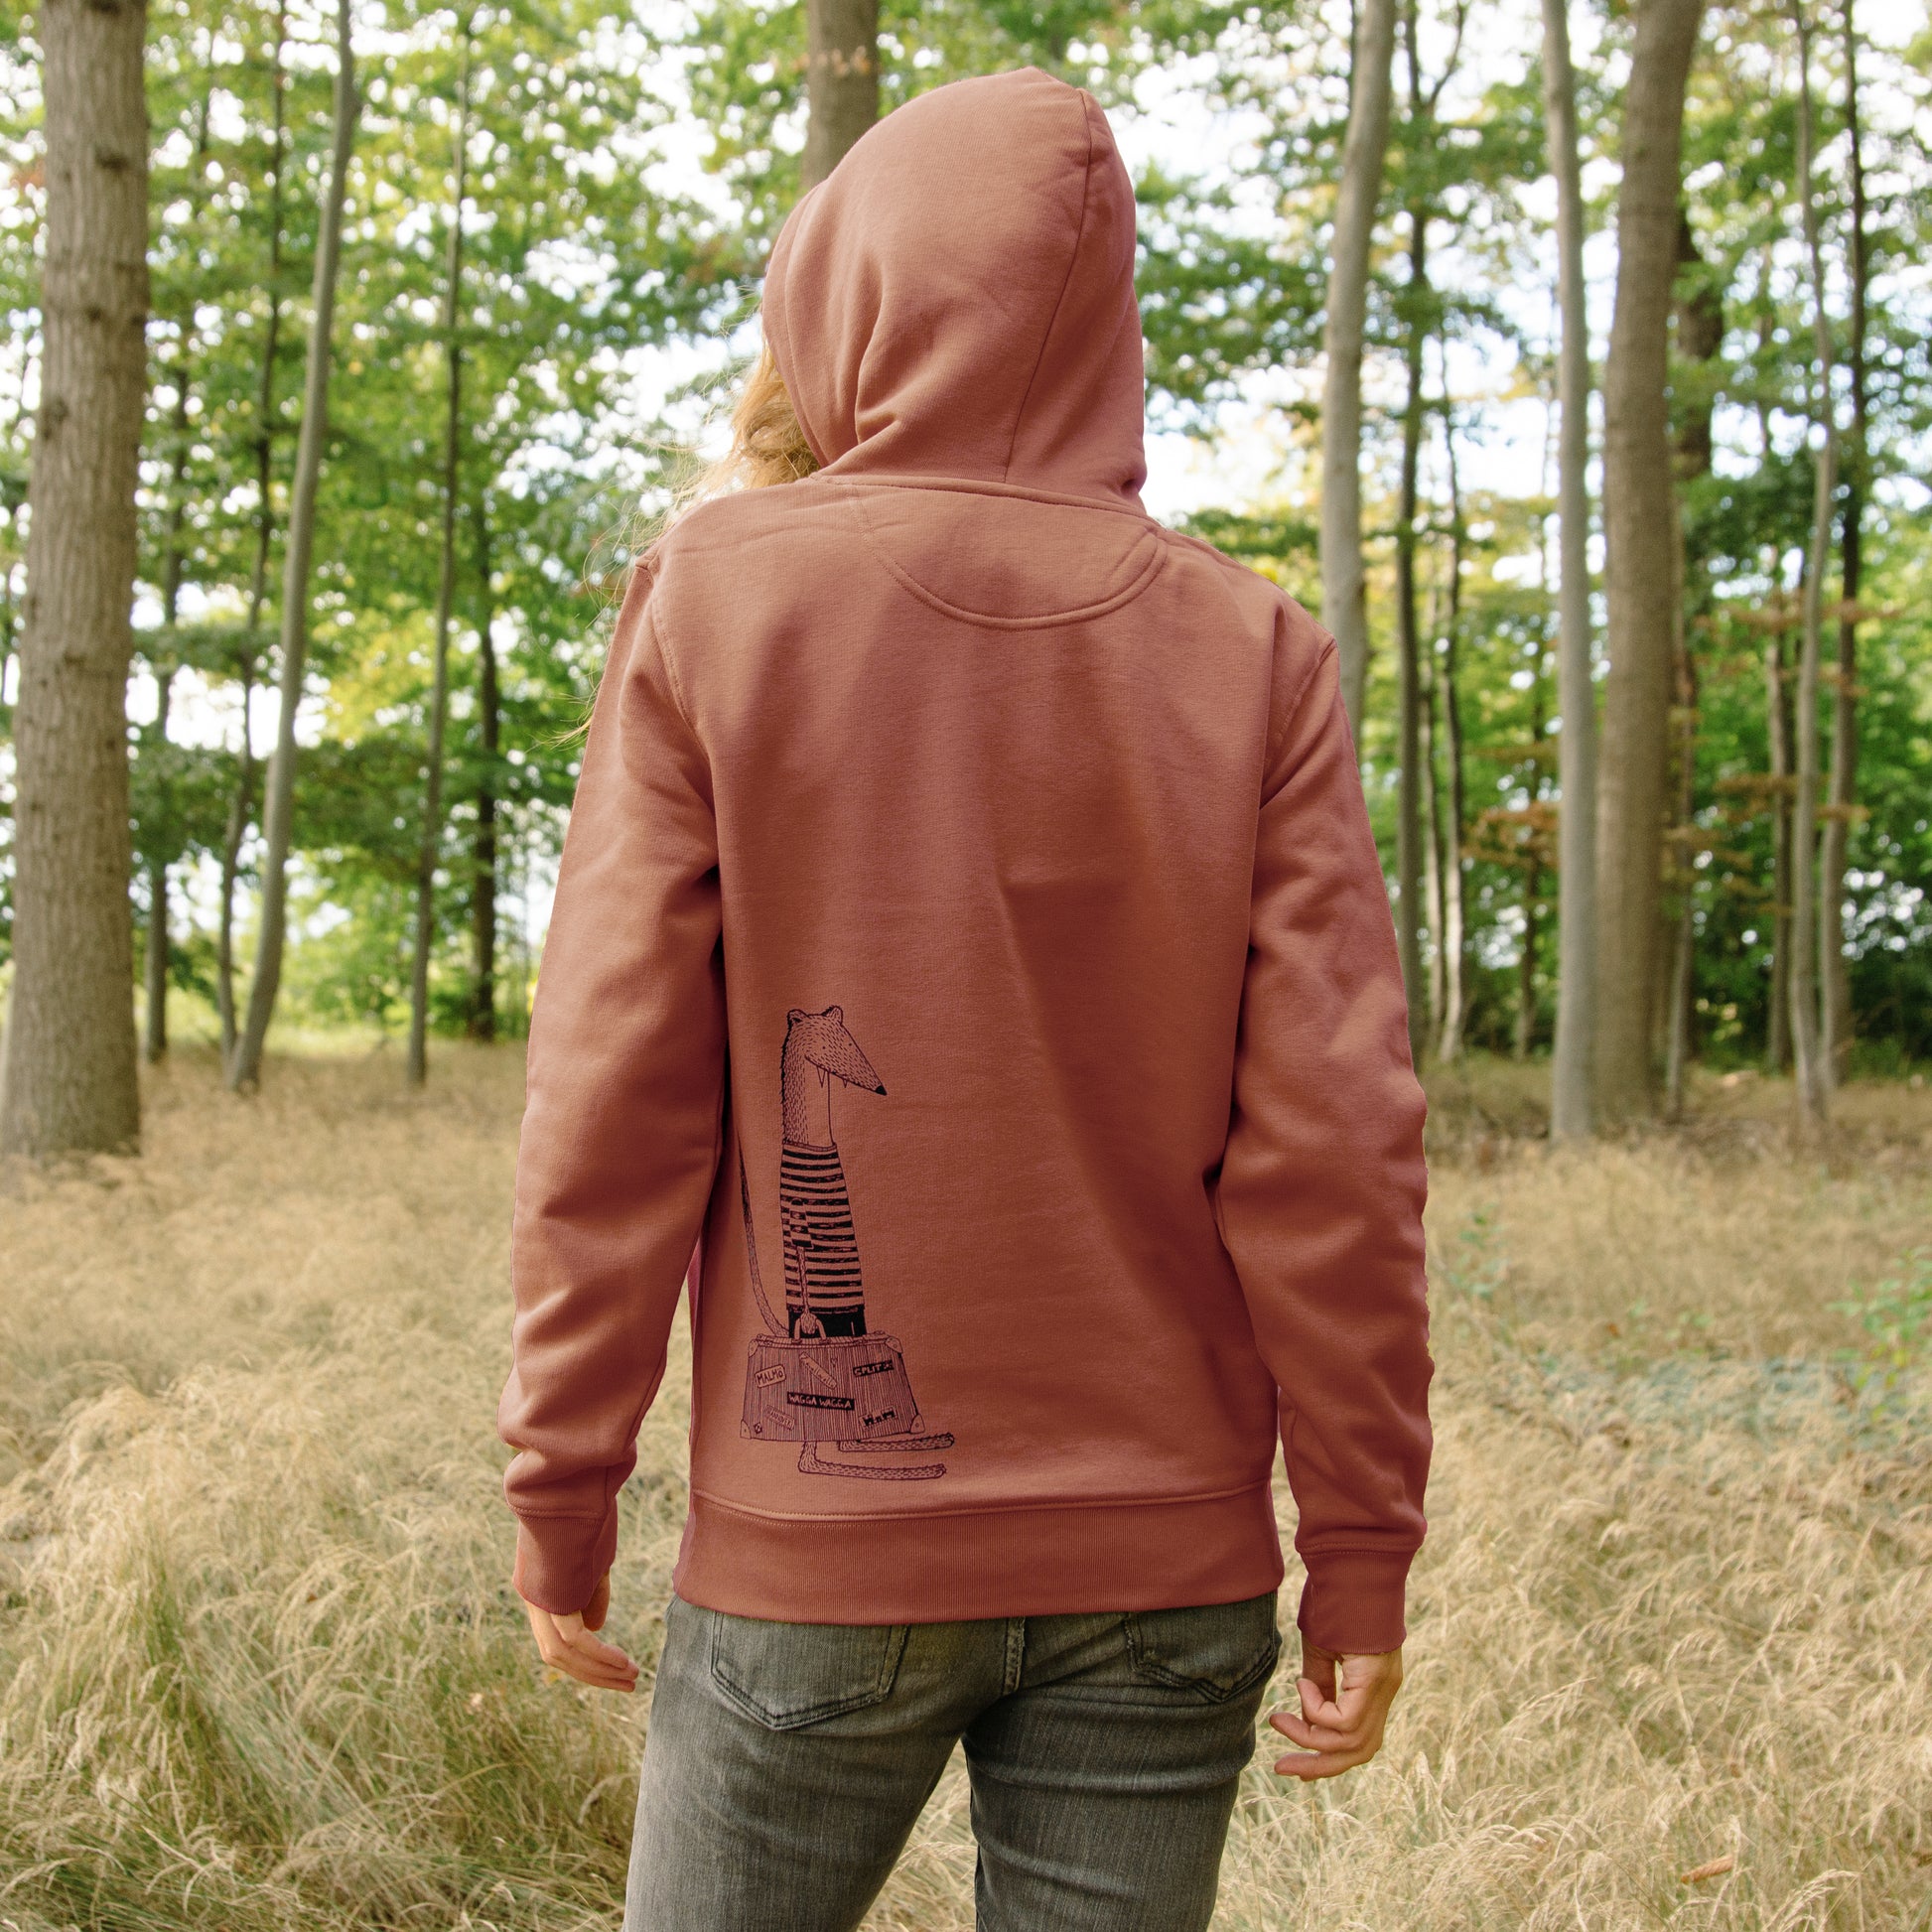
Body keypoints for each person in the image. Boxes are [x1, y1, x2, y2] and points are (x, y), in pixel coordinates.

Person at [498, 65, 1432, 1932]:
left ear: (847, 290)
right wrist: (1355, 1545)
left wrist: (563, 1483)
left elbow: (614, 1093)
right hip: (1162, 1572)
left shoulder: (715, 597)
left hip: (816, 1541)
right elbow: (1336, 1152)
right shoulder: (1252, 647)